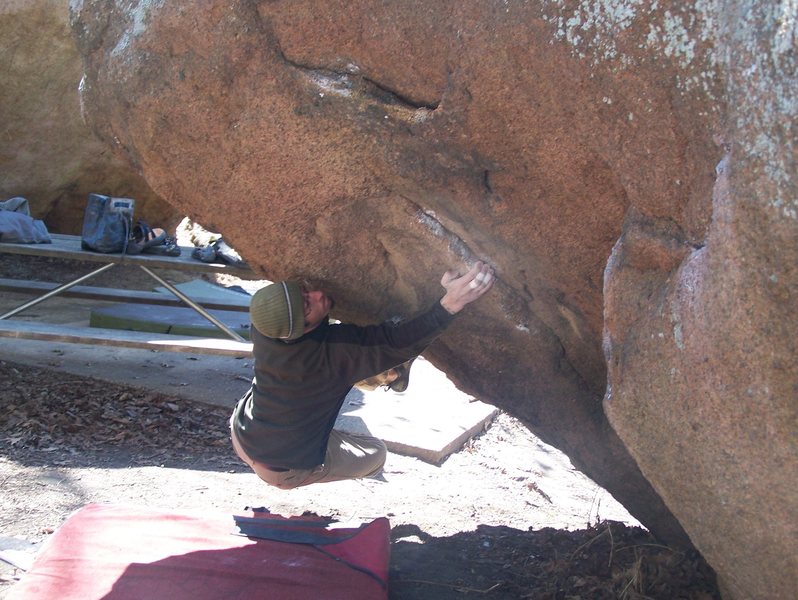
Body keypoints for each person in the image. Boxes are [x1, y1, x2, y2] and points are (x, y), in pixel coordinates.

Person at [230, 261, 495, 489]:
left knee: (347, 372)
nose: (319, 294)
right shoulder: (333, 354)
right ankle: (386, 371)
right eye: (308, 306)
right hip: (283, 468)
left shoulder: (266, 324)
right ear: (302, 330)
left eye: (304, 291)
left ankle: (382, 372)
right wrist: (451, 302)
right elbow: (397, 343)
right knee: (376, 454)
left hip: (244, 430)